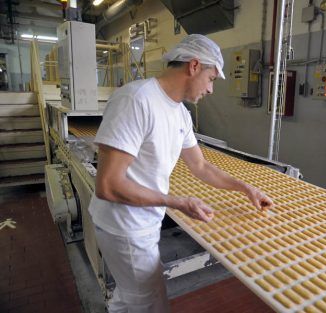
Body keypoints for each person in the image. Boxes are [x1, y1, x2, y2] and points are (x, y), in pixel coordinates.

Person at [87, 34, 274, 313]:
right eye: (211, 79)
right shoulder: (137, 100)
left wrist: (246, 188)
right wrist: (177, 202)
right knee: (151, 305)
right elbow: (109, 185)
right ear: (194, 66)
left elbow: (201, 167)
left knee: (130, 296)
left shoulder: (180, 114)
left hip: (142, 221)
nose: (211, 90)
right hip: (125, 226)